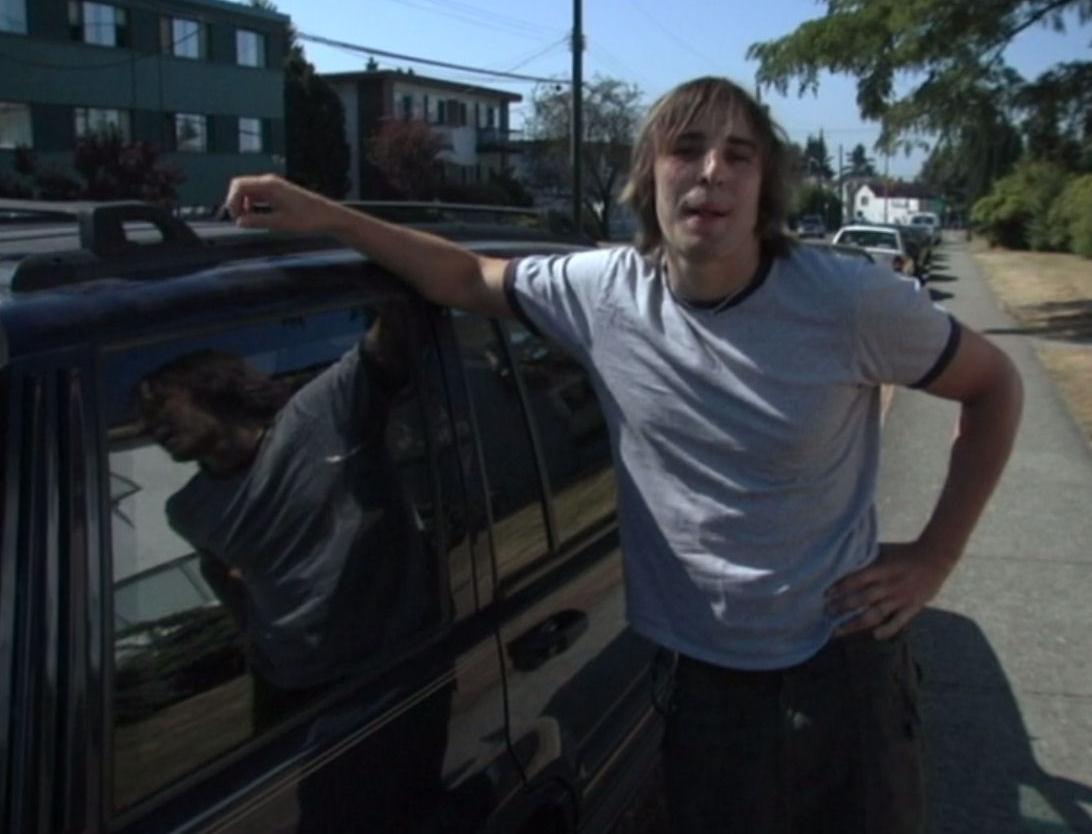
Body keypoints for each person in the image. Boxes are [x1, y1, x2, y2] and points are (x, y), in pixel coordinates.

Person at [222, 76, 1022, 833]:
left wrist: (936, 554)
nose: (711, 171)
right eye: (687, 149)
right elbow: (465, 275)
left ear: (765, 187)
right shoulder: (604, 292)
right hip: (698, 678)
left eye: (739, 155)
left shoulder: (847, 303)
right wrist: (327, 214)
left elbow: (995, 385)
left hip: (836, 665)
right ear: (648, 175)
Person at [138, 311, 451, 832]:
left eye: (159, 405)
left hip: (389, 670)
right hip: (288, 690)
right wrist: (247, 627)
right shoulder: (189, 510)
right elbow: (220, 568)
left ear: (210, 386)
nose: (151, 428)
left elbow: (395, 334)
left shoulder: (320, 416)